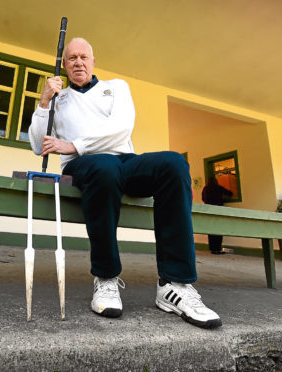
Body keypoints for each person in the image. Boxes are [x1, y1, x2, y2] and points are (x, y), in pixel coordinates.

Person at [28, 37, 221, 329]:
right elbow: (36, 144)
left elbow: (121, 128)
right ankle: (105, 278)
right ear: (64, 65)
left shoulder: (116, 87)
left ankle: (174, 284)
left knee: (173, 163)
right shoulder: (59, 98)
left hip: (124, 160)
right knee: (104, 168)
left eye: (84, 57)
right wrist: (44, 102)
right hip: (86, 167)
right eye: (71, 58)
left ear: (93, 61)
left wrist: (73, 144)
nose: (78, 62)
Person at [202, 176, 233, 254]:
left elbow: (203, 198)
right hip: (218, 211)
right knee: (219, 229)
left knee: (210, 230)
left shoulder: (205, 189)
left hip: (208, 211)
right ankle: (218, 249)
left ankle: (212, 249)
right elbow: (230, 193)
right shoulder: (219, 188)